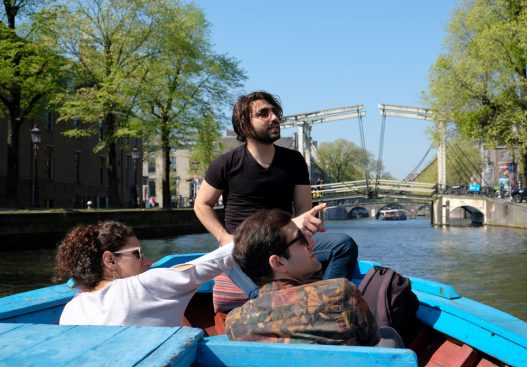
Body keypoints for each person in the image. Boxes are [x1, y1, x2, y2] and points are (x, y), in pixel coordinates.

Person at [194, 91, 358, 309]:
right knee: (233, 255)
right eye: (263, 113)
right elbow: (201, 204)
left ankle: (328, 302)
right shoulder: (225, 163)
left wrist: (304, 230)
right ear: (244, 124)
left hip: (283, 241)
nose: (274, 118)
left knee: (343, 245)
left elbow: (302, 209)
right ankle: (264, 302)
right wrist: (224, 237)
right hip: (244, 245)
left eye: (275, 112)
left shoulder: (294, 160)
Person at [225, 209, 402, 348]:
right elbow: (372, 340)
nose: (312, 243)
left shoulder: (235, 322)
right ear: (278, 263)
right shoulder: (340, 294)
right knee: (389, 336)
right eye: (301, 239)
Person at [54, 220, 235, 326]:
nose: (148, 262)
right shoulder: (143, 286)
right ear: (109, 260)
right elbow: (220, 259)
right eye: (138, 254)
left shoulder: (70, 310)